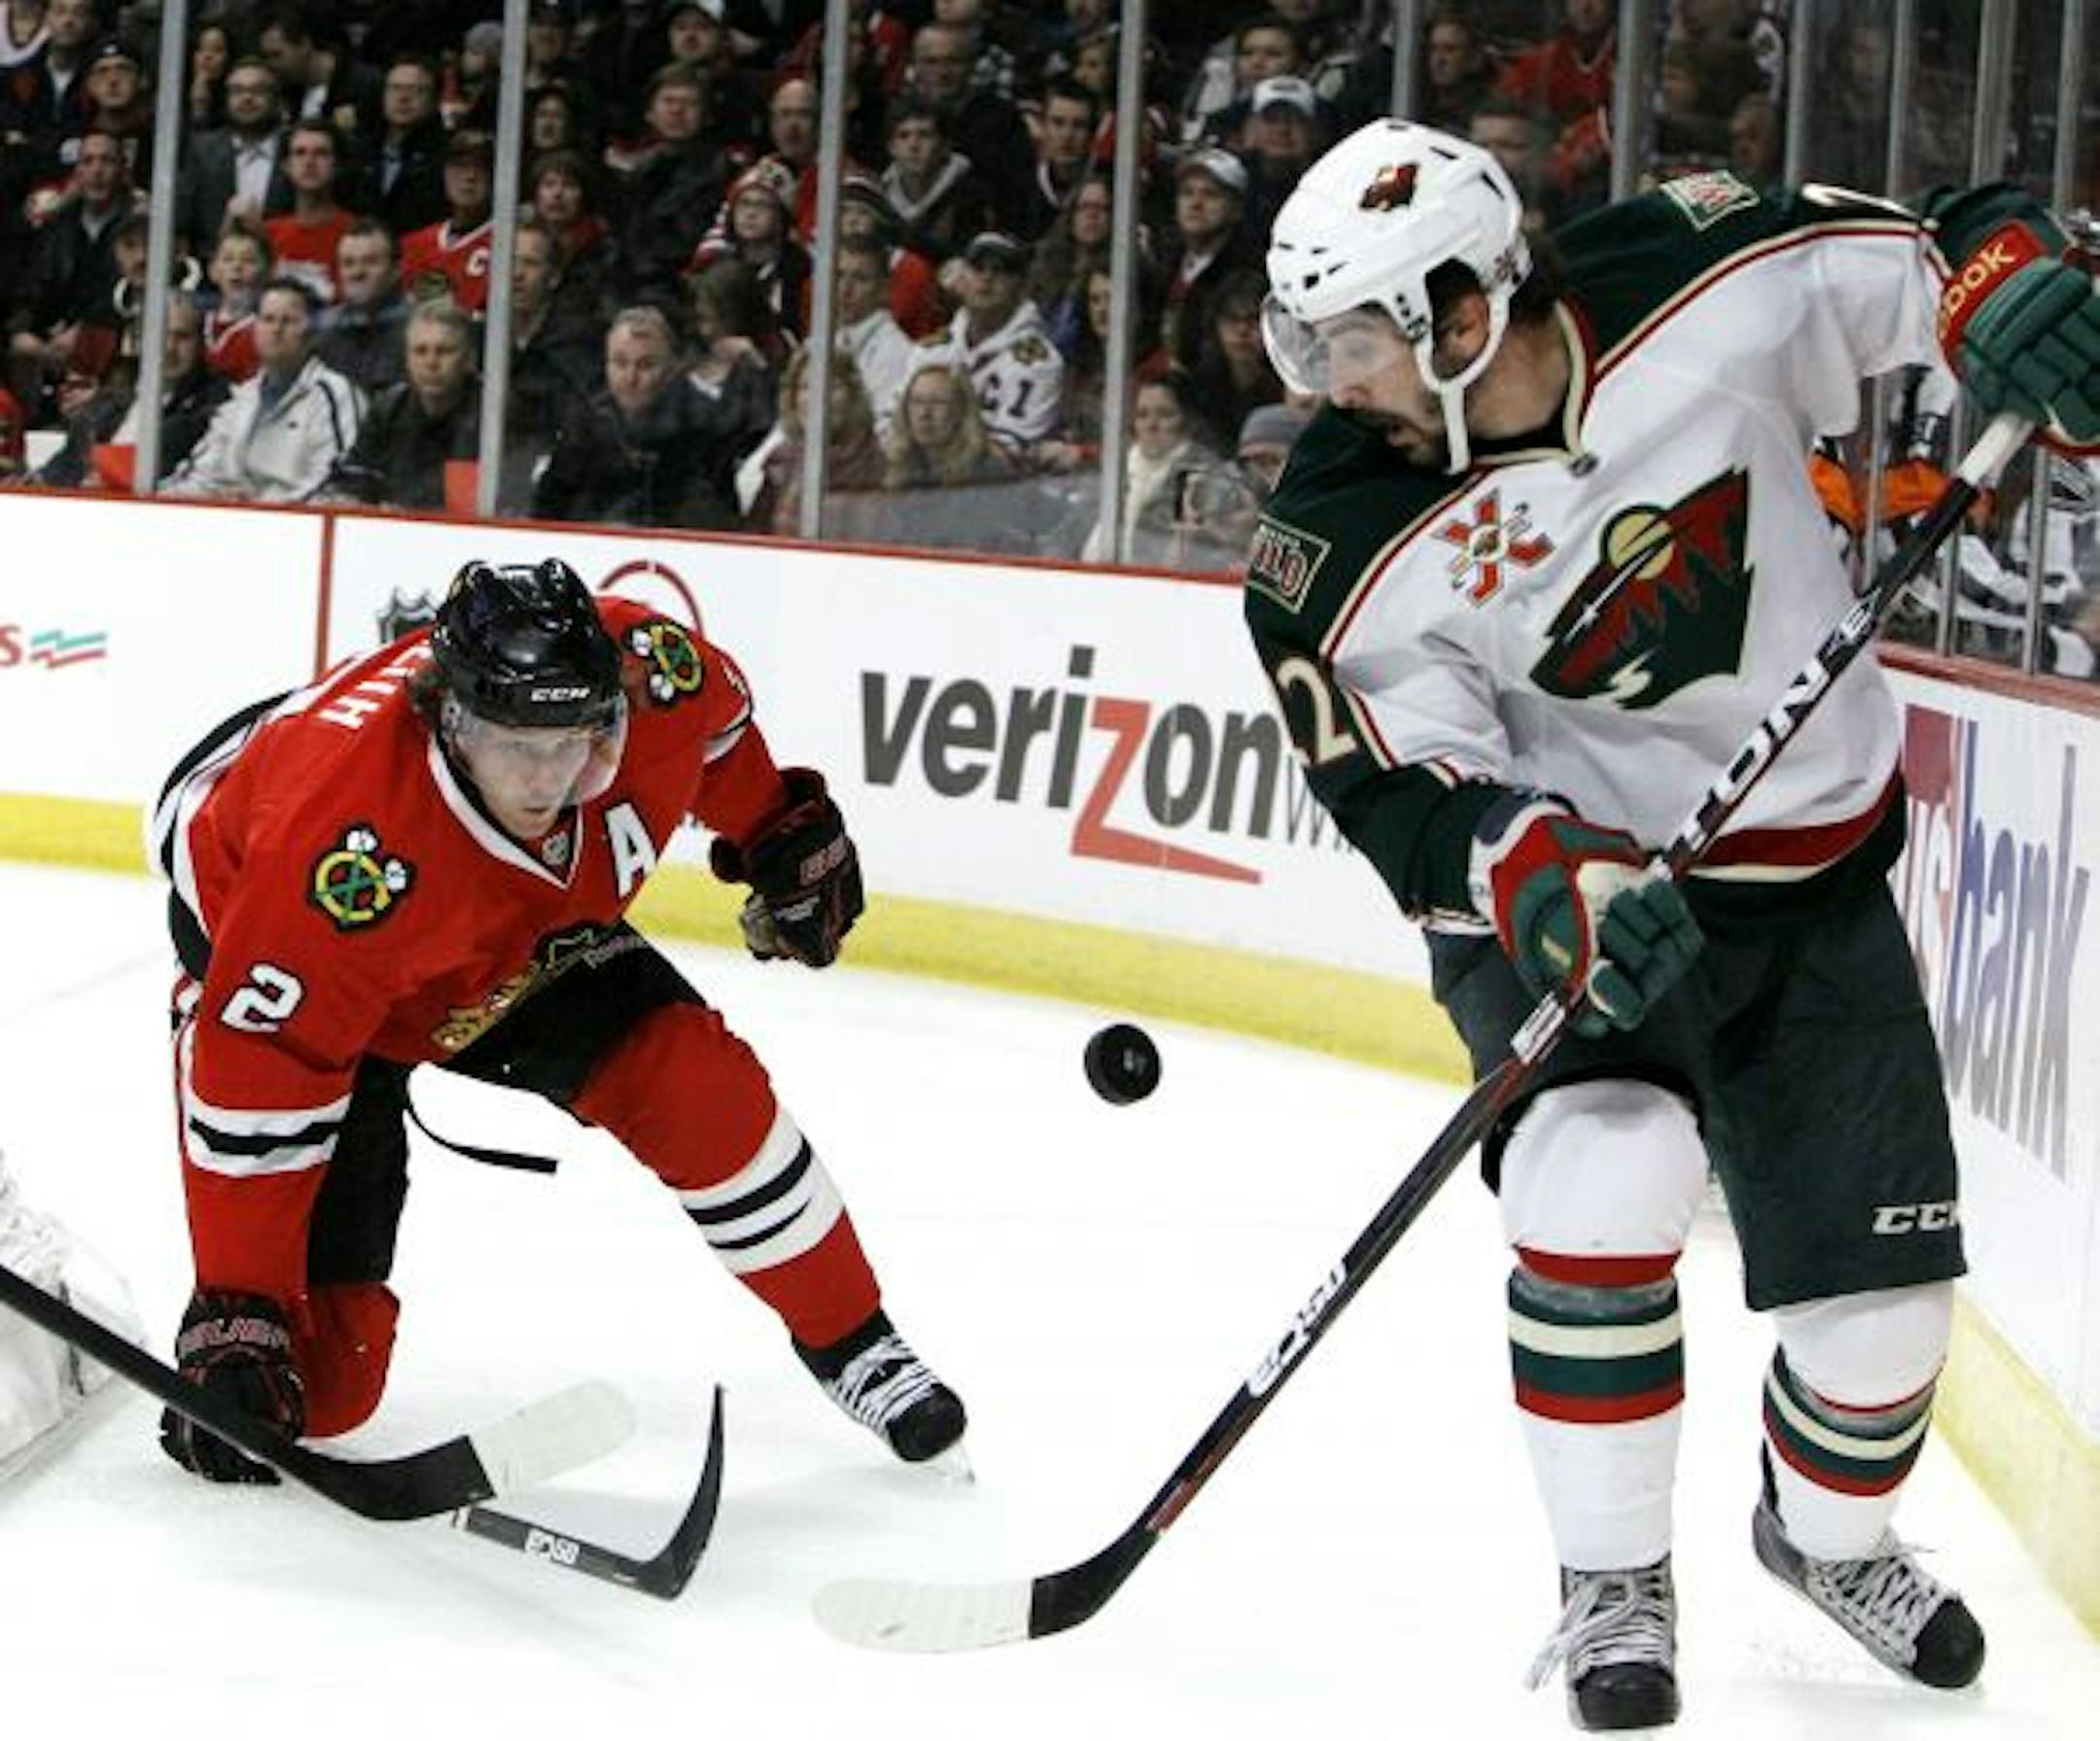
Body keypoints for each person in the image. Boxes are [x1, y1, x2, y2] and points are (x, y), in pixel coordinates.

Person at [1249, 118, 2100, 1729]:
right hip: (1575, 905)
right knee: (1605, 1169)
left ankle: (1824, 1539)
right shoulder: (1335, 537)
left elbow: (1941, 251)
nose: (1326, 382)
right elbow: (1399, 786)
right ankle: (1612, 1577)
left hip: (1811, 884)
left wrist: (2012, 292)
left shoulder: (1693, 269)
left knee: (1882, 1331)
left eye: (1353, 339)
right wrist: (1542, 878)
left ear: (1463, 310)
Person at [147, 556, 968, 1488]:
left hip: (504, 939)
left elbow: (719, 737)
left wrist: (779, 827)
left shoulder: (653, 668)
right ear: (449, 720)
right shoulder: (337, 865)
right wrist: (239, 1308)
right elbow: (262, 1077)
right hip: (293, 946)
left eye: (573, 740)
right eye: (516, 746)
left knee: (697, 1086)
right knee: (325, 1386)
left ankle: (860, 1344)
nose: (546, 777)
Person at [163, 276, 361, 502]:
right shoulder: (242, 398)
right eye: (268, 319)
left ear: (313, 332)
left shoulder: (334, 393)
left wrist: (258, 508)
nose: (276, 329)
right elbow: (201, 475)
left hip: (295, 519)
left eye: (289, 321)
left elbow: (336, 485)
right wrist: (157, 502)